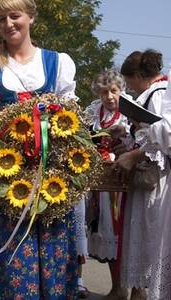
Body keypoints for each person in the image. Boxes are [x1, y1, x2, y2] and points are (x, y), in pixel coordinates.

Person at [0, 0, 78, 298]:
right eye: (1, 18)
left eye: (15, 16)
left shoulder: (58, 62)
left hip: (48, 172)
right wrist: (10, 127)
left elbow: (71, 117)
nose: (8, 24)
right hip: (6, 172)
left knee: (51, 244)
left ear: (30, 17)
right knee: (9, 248)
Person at [115, 49, 169, 300]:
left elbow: (159, 142)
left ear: (138, 75)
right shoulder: (154, 93)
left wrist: (134, 153)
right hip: (151, 177)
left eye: (129, 82)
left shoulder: (158, 95)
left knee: (151, 237)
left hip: (156, 179)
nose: (130, 87)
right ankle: (139, 291)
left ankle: (145, 292)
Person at [84, 69, 133, 300]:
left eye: (113, 91)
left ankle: (137, 290)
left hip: (123, 184)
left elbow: (142, 139)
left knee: (124, 233)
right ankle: (117, 288)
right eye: (104, 92)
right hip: (101, 183)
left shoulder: (130, 111)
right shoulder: (94, 111)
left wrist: (125, 138)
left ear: (121, 90)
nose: (109, 97)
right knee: (105, 233)